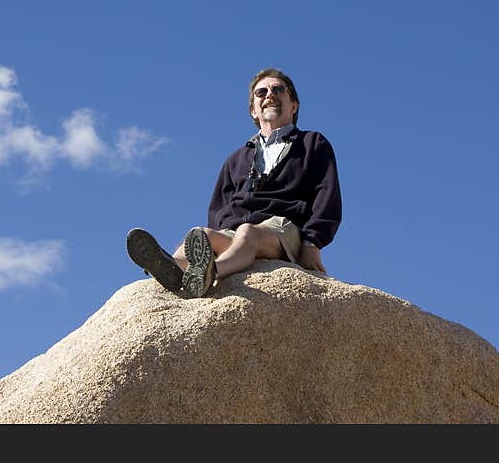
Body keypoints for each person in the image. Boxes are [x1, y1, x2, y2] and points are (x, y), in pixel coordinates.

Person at [126, 67, 342, 298]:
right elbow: (219, 208)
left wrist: (312, 243)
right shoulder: (236, 159)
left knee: (248, 232)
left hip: (283, 229)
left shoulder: (312, 144)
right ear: (253, 111)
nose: (269, 95)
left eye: (278, 89)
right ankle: (172, 268)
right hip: (236, 233)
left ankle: (213, 272)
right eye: (261, 92)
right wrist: (216, 238)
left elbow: (326, 194)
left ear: (293, 106)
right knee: (201, 233)